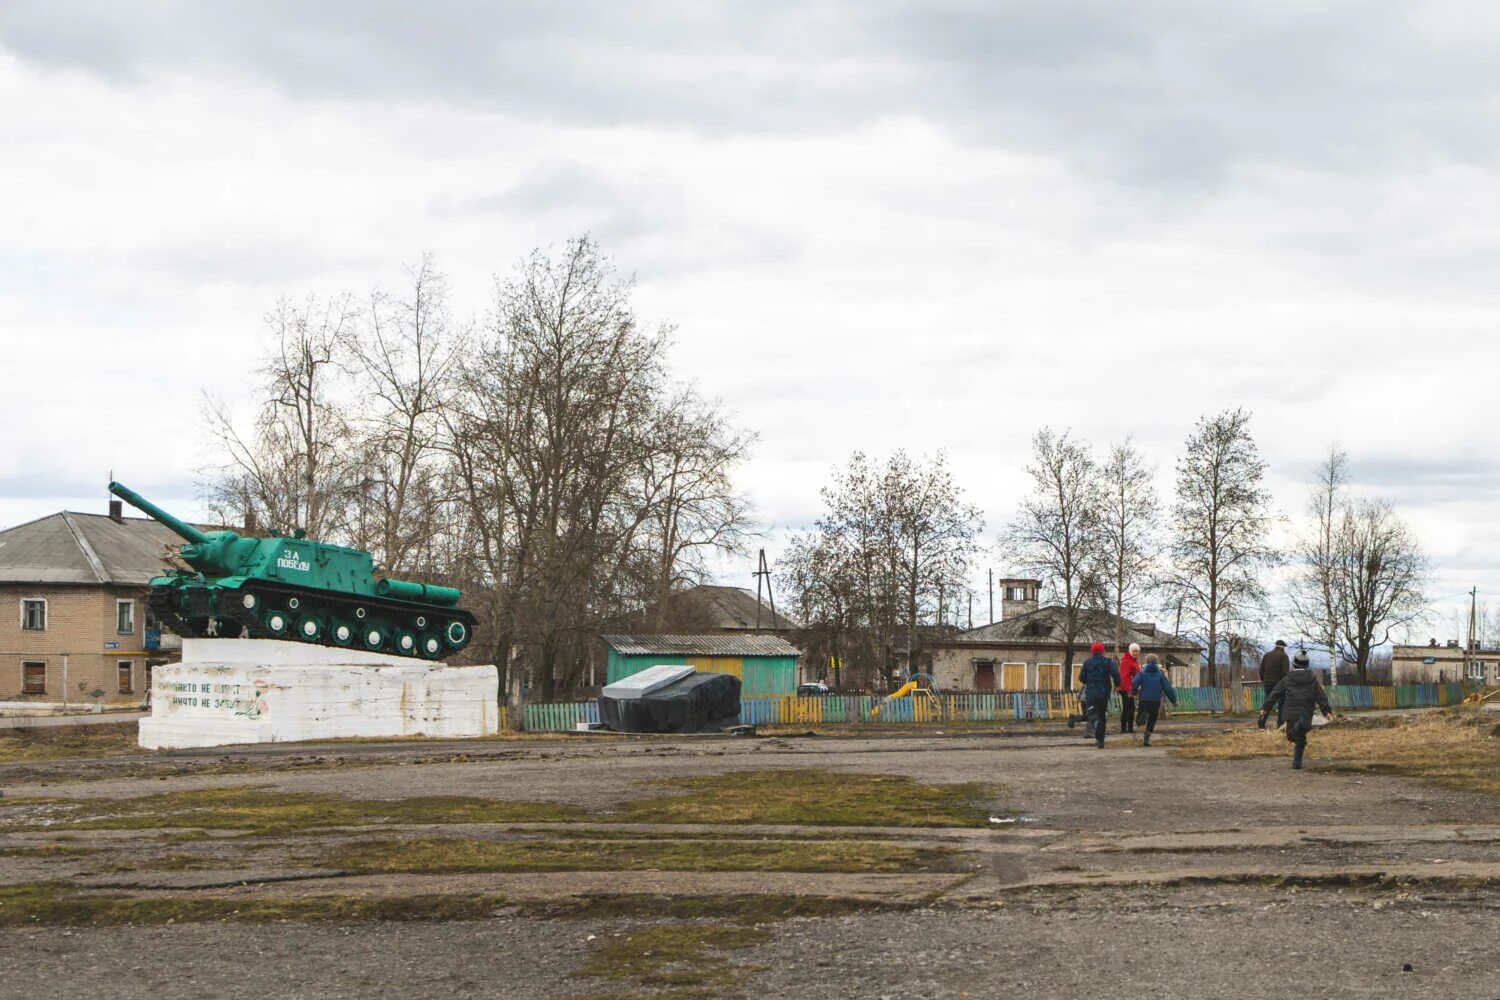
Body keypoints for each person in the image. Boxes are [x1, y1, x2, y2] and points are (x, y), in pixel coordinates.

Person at [1258, 650, 1335, 769]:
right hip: (1306, 712)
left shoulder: (1288, 678)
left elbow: (1275, 693)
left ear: (1294, 664)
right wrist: (1326, 711)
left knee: (1292, 736)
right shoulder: (1312, 679)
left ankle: (1297, 761)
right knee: (1301, 737)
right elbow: (1320, 695)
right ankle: (1296, 762)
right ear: (1307, 665)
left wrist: (1265, 708)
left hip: (1290, 712)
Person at [1077, 642, 1120, 749]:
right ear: (1102, 651)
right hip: (1104, 693)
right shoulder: (1108, 662)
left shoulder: (1087, 663)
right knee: (1102, 715)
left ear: (1092, 652)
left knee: (1092, 714)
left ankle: (1096, 732)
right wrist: (1117, 684)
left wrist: (1090, 680)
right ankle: (1100, 739)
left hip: (1091, 693)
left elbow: (1081, 678)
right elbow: (1116, 674)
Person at [1129, 653, 1177, 746]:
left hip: (1144, 699)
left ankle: (1141, 718)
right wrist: (1173, 700)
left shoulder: (1142, 673)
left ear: (1146, 662)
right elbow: (1168, 688)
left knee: (1141, 716)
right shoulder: (1160, 675)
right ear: (1156, 663)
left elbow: (1134, 683)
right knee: (1152, 719)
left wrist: (1133, 693)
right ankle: (1147, 736)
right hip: (1155, 700)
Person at [1259, 640, 1290, 723]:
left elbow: (1261, 670)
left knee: (1267, 703)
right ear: (1283, 647)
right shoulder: (1284, 656)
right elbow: (1285, 672)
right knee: (1282, 703)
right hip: (1279, 684)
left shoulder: (1267, 655)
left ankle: (1261, 722)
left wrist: (1264, 680)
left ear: (1276, 646)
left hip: (1267, 683)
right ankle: (1280, 723)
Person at [1118, 642, 1142, 733]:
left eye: (1137, 651)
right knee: (1128, 708)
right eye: (1134, 651)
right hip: (1126, 688)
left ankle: (1128, 728)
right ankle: (1126, 728)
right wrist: (1130, 691)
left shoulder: (1133, 661)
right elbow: (1124, 677)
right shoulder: (1127, 661)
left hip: (1130, 688)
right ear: (1130, 651)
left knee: (1129, 708)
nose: (1136, 653)